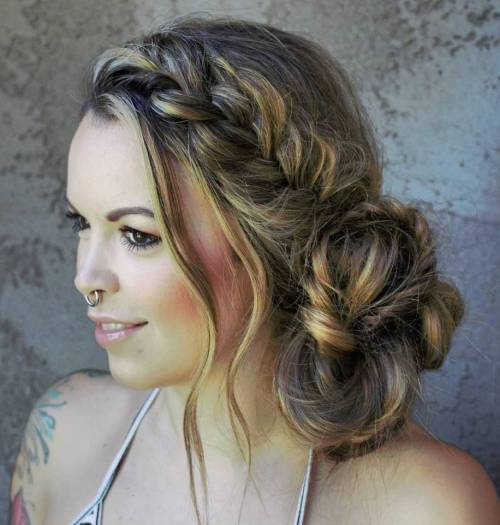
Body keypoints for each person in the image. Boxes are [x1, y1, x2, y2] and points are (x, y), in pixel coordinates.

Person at [9, 13, 499, 525]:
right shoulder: (63, 436)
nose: (86, 279)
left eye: (138, 235)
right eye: (81, 223)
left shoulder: (424, 505)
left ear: (269, 240)